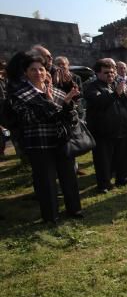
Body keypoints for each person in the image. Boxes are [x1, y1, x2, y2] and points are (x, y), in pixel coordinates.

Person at [8, 52, 82, 224]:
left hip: (62, 141)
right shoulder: (20, 95)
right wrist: (49, 104)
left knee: (69, 177)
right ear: (26, 72)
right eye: (33, 70)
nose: (38, 73)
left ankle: (74, 210)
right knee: (46, 181)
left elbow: (71, 118)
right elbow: (28, 119)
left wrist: (69, 105)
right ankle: (51, 216)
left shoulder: (56, 90)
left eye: (41, 69)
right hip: (39, 144)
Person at [84, 58, 127, 193]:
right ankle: (104, 184)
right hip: (103, 131)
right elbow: (98, 102)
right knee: (103, 159)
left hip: (123, 128)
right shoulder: (92, 87)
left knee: (124, 157)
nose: (111, 75)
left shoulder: (116, 84)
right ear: (98, 73)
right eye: (106, 72)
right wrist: (116, 94)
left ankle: (123, 179)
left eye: (113, 72)